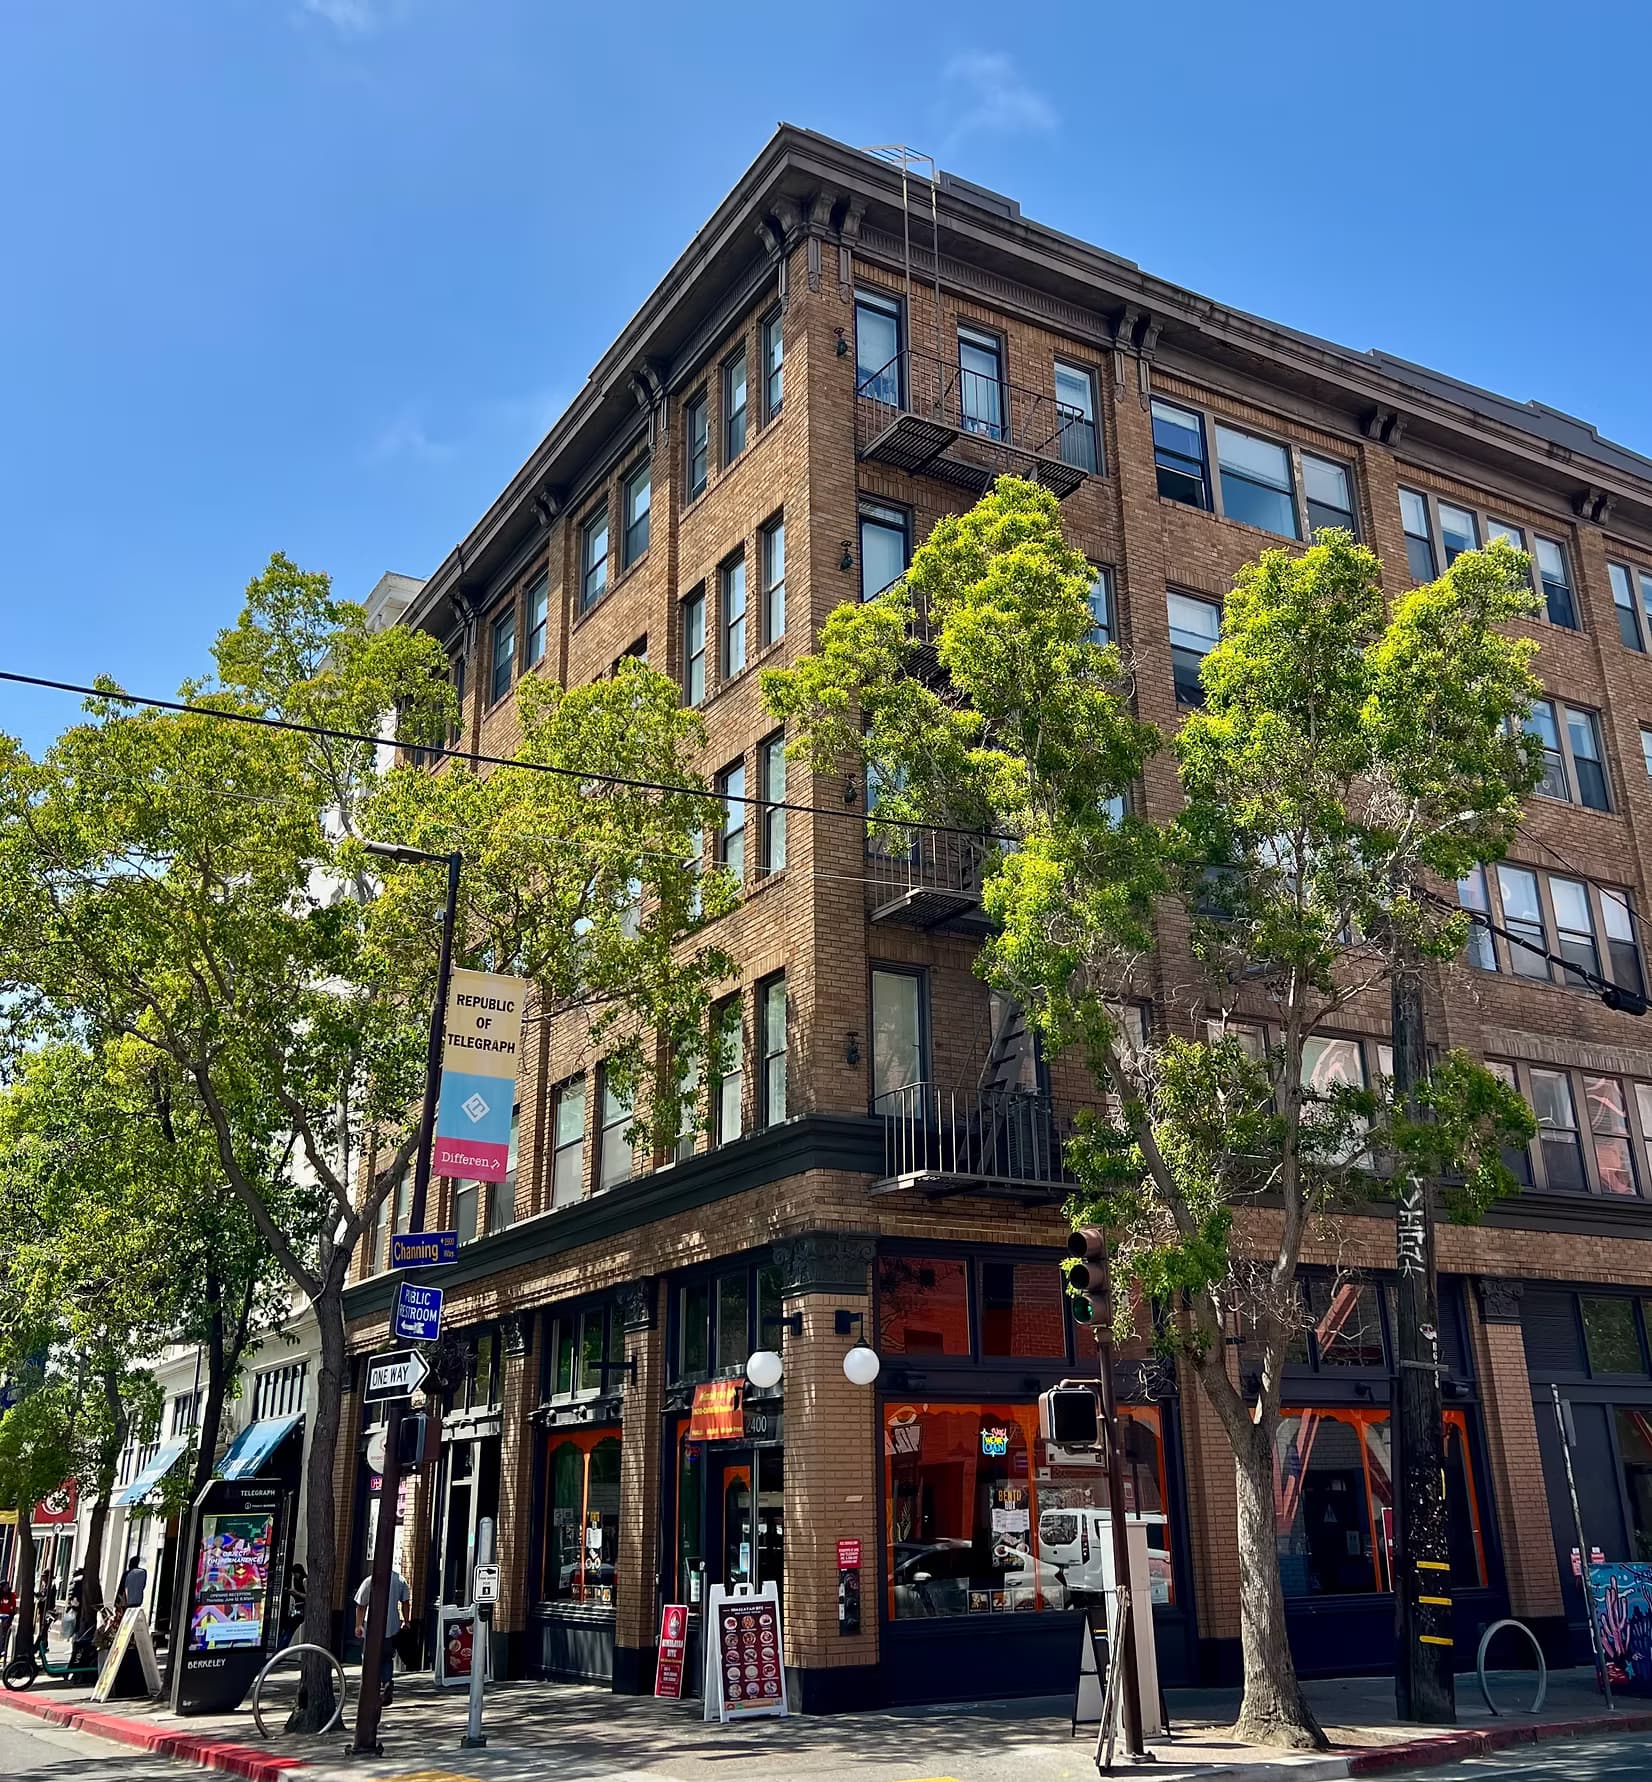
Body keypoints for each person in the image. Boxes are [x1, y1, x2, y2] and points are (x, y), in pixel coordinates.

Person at [354, 1567, 410, 1706]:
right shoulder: (400, 1580)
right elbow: (405, 1602)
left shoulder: (370, 1580)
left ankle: (371, 1688)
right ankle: (387, 1682)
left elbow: (361, 1605)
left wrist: (358, 1625)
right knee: (387, 1658)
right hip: (392, 1627)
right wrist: (406, 1621)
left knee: (369, 1658)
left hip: (371, 1628)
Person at [281, 1562, 307, 1648]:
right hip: (297, 1606)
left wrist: (297, 1593)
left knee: (290, 1629)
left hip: (302, 1607)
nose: (294, 1576)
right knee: (287, 1628)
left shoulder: (304, 1580)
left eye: (295, 1574)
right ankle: (280, 1649)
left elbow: (308, 1595)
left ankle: (281, 1649)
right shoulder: (295, 1580)